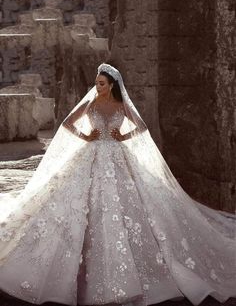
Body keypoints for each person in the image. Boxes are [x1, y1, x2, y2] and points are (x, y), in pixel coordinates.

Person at [0, 63, 235, 306]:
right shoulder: (90, 103)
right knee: (74, 204)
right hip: (89, 155)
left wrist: (124, 136)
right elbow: (68, 123)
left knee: (125, 205)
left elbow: (141, 127)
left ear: (112, 85)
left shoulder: (122, 105)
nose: (97, 86)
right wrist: (85, 136)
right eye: (96, 83)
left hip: (116, 156)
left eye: (101, 83)